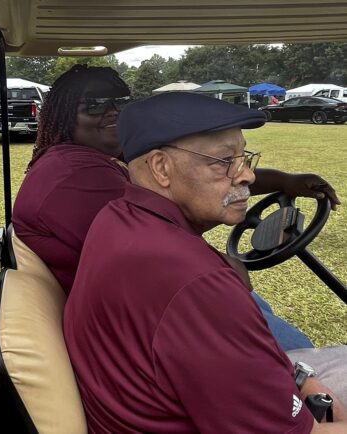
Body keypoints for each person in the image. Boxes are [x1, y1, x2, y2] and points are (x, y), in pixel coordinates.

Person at [63, 92, 347, 433]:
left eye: (245, 158)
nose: (247, 176)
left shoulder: (117, 217)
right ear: (161, 168)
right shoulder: (195, 282)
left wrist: (300, 379)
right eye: (225, 161)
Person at [12, 64, 339, 351]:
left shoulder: (86, 160)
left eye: (121, 102)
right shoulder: (76, 176)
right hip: (140, 327)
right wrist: (223, 265)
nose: (112, 112)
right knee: (299, 351)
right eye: (95, 105)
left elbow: (195, 184)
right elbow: (159, 236)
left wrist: (282, 180)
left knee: (258, 306)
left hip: (146, 309)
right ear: (63, 112)